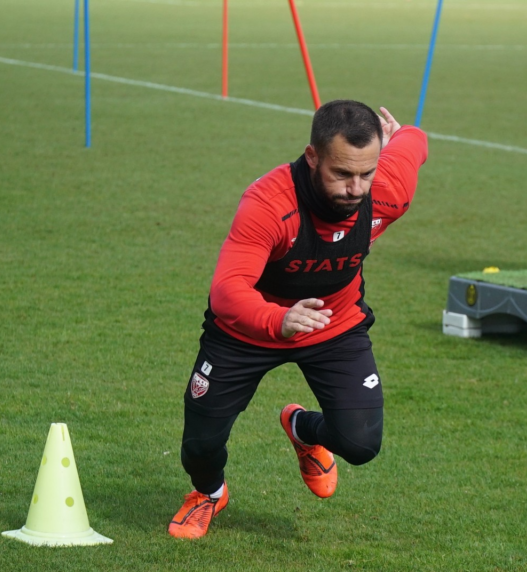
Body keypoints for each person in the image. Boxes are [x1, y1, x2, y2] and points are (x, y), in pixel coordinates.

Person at [168, 100, 429, 539]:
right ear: (312, 157)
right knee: (200, 445)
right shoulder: (269, 204)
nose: (355, 188)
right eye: (341, 173)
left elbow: (414, 143)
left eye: (366, 173)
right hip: (247, 331)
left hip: (334, 325)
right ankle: (209, 493)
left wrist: (402, 135)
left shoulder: (389, 188)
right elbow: (227, 290)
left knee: (361, 444)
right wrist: (278, 319)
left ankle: (303, 429)